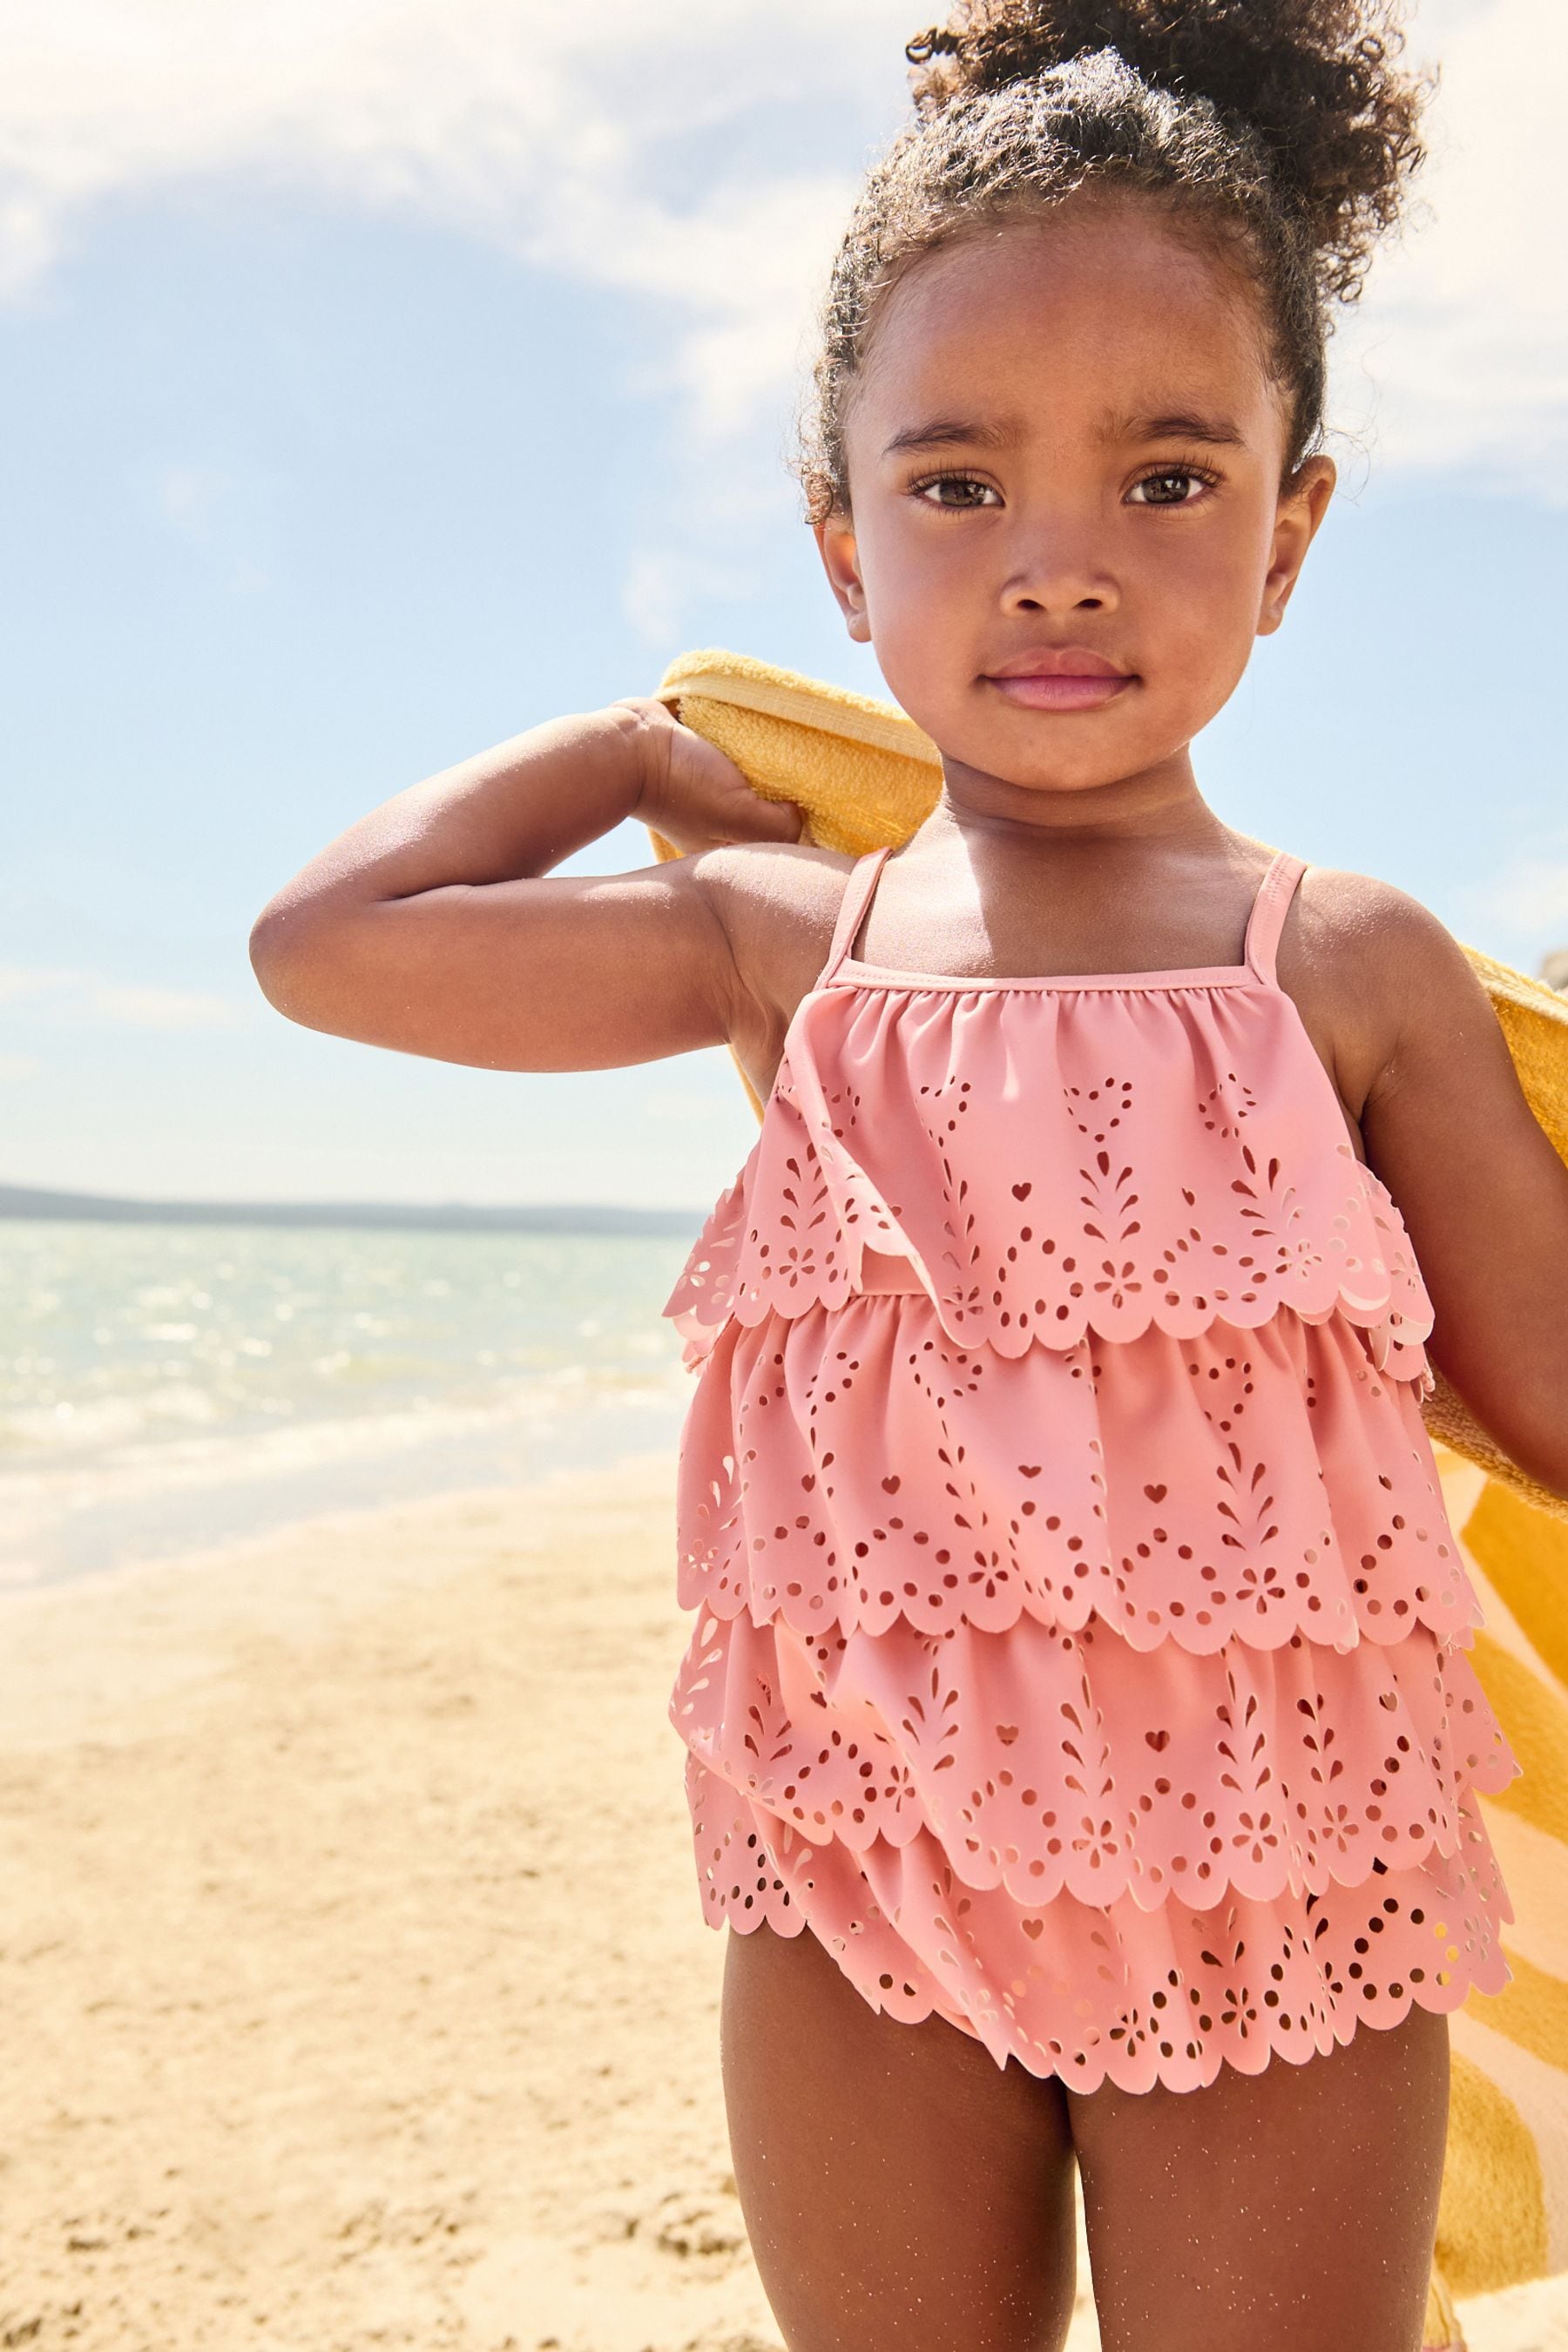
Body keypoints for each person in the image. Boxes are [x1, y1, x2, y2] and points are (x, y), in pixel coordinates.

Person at [248, 3, 1568, 2344]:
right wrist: (633, 742)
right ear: (843, 547)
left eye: (1168, 477)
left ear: (1296, 530)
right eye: (957, 483)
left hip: (1280, 1871)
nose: (1058, 564)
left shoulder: (1353, 969)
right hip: (860, 1860)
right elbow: (327, 946)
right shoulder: (789, 939)